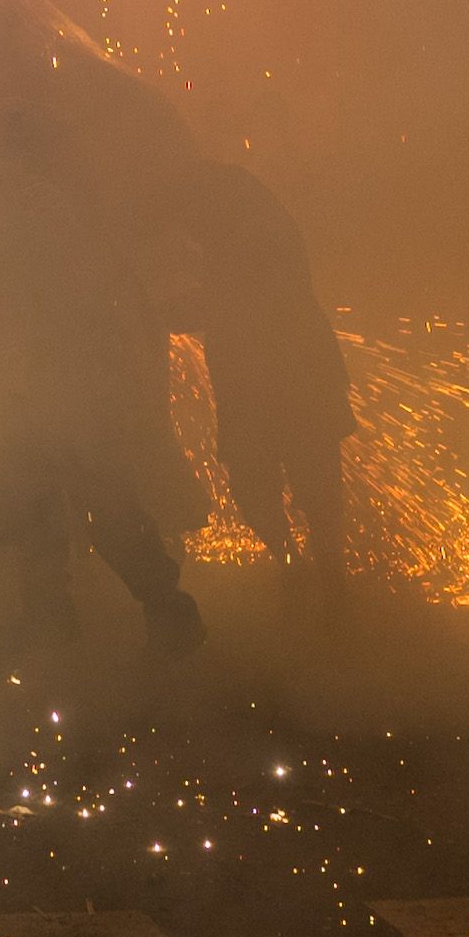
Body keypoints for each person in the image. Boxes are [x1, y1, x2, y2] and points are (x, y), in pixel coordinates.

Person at [178, 162, 354, 618]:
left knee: (305, 484)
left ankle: (327, 579)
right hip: (267, 379)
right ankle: (307, 571)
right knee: (268, 485)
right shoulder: (252, 225)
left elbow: (230, 303)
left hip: (288, 376)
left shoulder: (254, 241)